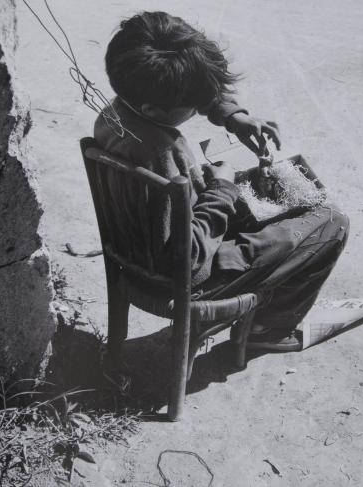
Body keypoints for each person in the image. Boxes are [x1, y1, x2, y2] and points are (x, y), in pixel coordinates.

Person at [94, 11, 349, 352]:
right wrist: (223, 188)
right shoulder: (162, 154)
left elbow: (193, 88)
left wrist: (233, 116)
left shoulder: (117, 112)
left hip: (141, 245)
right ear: (154, 110)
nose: (200, 107)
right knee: (331, 222)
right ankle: (266, 330)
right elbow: (190, 264)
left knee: (275, 190)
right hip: (182, 277)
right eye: (193, 105)